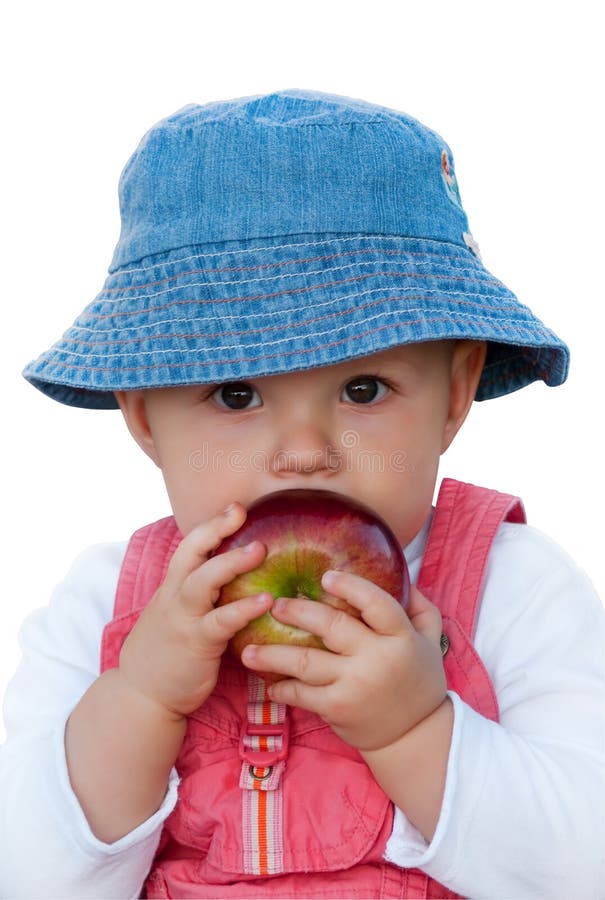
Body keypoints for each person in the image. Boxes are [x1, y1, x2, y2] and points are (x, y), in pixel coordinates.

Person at [1, 89, 603, 900]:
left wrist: (416, 730)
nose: (305, 453)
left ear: (453, 395)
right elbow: (29, 874)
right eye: (238, 395)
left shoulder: (513, 589)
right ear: (143, 416)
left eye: (362, 388)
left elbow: (581, 867)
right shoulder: (105, 605)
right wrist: (139, 699)